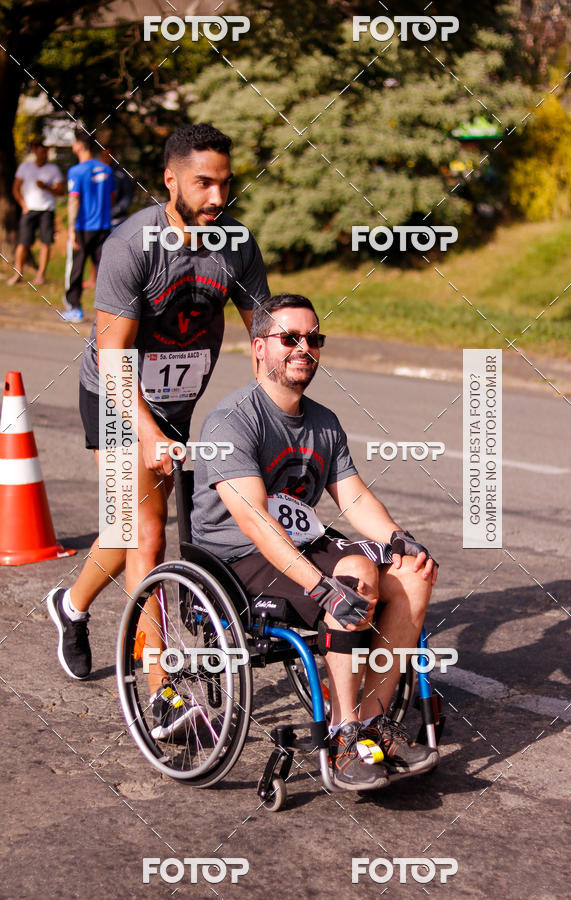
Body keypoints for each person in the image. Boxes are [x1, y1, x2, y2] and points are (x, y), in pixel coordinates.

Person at [46, 123, 270, 739]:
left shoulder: (237, 245)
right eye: (203, 183)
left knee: (124, 540)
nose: (217, 197)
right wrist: (146, 433)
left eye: (225, 184)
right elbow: (115, 358)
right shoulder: (131, 247)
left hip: (178, 395)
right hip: (117, 394)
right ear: (170, 179)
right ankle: (162, 687)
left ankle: (70, 606)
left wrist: (271, 408)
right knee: (143, 538)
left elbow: (262, 337)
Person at [190, 293, 440, 791]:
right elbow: (256, 522)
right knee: (355, 577)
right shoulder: (233, 420)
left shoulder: (323, 421)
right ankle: (344, 739)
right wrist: (321, 585)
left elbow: (353, 499)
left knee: (414, 572)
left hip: (302, 543)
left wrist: (395, 536)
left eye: (313, 338)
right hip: (236, 559)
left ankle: (369, 728)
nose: (304, 347)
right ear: (259, 347)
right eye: (290, 338)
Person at [61, 128, 115, 322]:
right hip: (104, 227)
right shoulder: (106, 169)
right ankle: (109, 313)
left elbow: (74, 200)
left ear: (79, 146)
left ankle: (75, 308)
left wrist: (70, 229)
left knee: (75, 268)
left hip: (83, 228)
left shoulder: (76, 171)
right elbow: (112, 197)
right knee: (104, 270)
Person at [9, 141, 64, 285]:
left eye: (45, 153)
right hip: (29, 210)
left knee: (46, 243)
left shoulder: (53, 169)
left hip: (46, 210)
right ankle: (18, 273)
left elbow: (61, 191)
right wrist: (23, 204)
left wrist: (46, 187)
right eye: (41, 152)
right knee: (23, 242)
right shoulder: (25, 167)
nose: (43, 155)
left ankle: (40, 275)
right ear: (35, 153)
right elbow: (15, 188)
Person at [82, 146, 135, 289]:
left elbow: (127, 196)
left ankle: (117, 280)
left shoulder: (121, 175)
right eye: (104, 155)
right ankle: (94, 278)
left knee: (116, 251)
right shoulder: (96, 173)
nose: (107, 158)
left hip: (117, 219)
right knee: (97, 251)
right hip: (99, 219)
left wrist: (117, 210)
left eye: (109, 155)